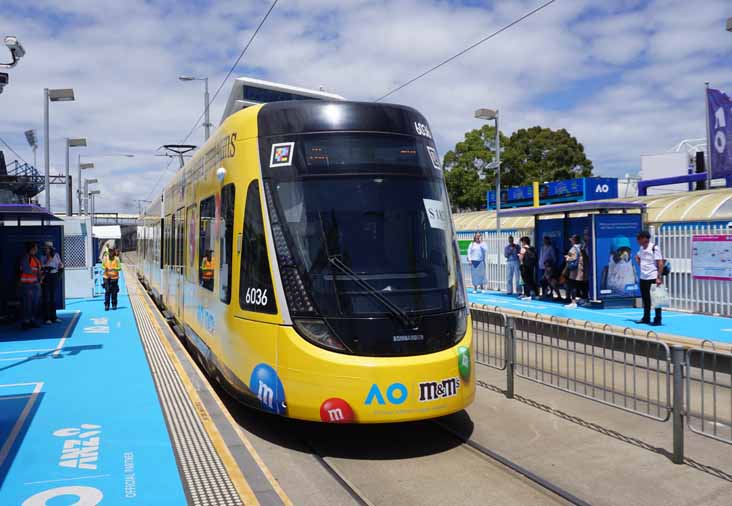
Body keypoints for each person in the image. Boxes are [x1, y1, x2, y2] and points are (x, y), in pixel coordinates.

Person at [635, 231, 664, 326]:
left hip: (653, 276)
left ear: (644, 238)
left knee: (657, 299)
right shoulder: (641, 248)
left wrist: (659, 277)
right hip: (643, 277)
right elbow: (637, 257)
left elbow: (660, 263)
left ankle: (658, 319)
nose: (637, 240)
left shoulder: (654, 248)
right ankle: (646, 317)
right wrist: (641, 266)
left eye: (639, 238)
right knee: (646, 299)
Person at [18, 242, 42, 329]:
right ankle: (25, 322)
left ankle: (32, 320)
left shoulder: (35, 259)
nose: (37, 249)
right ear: (31, 249)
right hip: (27, 285)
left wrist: (41, 274)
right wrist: (37, 272)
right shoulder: (25, 258)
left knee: (34, 303)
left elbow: (38, 270)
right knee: (27, 304)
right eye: (35, 248)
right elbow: (26, 270)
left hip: (35, 285)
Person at [41, 241, 64, 324]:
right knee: (46, 297)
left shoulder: (56, 255)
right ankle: (47, 318)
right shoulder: (43, 257)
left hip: (54, 276)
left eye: (48, 248)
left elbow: (59, 264)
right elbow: (42, 267)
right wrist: (49, 259)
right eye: (46, 248)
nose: (47, 250)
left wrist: (61, 266)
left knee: (53, 298)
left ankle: (54, 317)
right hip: (46, 276)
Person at [564, 234, 587, 308]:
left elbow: (572, 258)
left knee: (572, 285)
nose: (571, 241)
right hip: (582, 269)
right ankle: (584, 299)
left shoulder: (573, 249)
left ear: (574, 240)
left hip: (575, 270)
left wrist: (567, 258)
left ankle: (573, 302)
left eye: (572, 240)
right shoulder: (583, 247)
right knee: (582, 285)